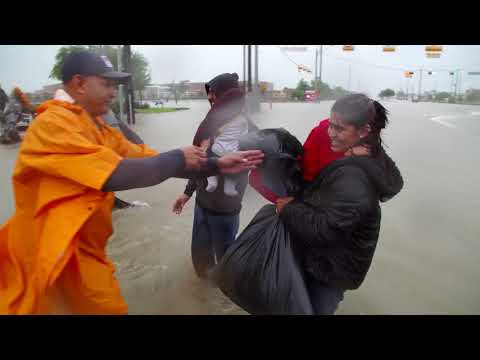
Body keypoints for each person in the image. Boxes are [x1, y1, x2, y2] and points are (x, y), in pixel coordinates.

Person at [0, 51, 263, 315]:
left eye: (115, 85)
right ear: (79, 84)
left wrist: (217, 164)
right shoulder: (52, 126)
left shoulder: (99, 129)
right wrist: (181, 160)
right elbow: (117, 173)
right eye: (106, 84)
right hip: (43, 257)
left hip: (84, 257)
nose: (114, 92)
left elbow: (151, 160)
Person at [276, 93, 404, 315]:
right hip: (335, 263)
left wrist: (288, 208)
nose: (330, 133)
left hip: (331, 270)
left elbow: (325, 229)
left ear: (364, 131)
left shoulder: (353, 178)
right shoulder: (369, 156)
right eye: (330, 125)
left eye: (338, 128)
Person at [172, 73, 254, 279]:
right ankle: (203, 298)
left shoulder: (249, 131)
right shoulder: (208, 128)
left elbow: (266, 162)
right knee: (200, 265)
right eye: (209, 97)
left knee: (226, 268)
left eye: (215, 97)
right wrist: (186, 194)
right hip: (202, 206)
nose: (211, 101)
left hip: (226, 213)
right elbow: (199, 163)